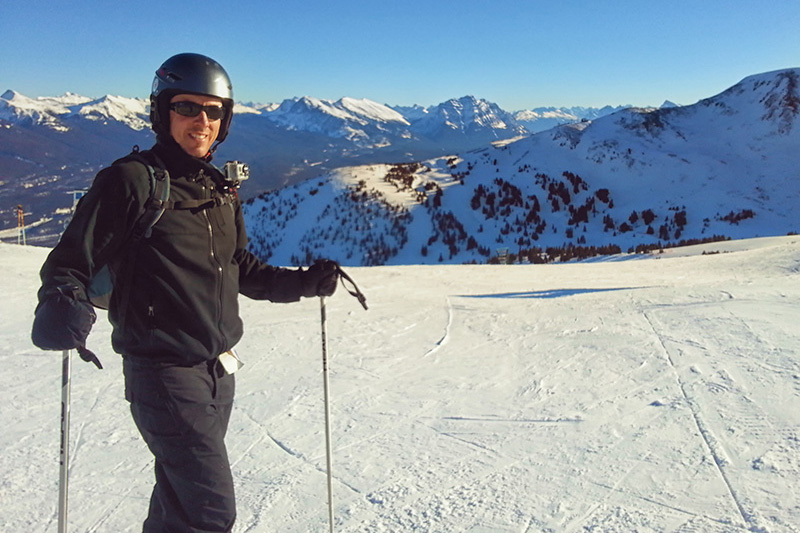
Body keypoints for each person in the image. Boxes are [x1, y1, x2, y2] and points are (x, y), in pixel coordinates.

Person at [31, 52, 339, 533]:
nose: (202, 120)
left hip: (219, 371)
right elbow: (69, 262)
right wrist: (62, 301)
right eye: (187, 107)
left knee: (180, 500)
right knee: (210, 511)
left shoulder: (218, 188)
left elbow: (241, 267)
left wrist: (302, 282)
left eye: (213, 110)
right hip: (163, 373)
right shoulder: (132, 181)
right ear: (162, 112)